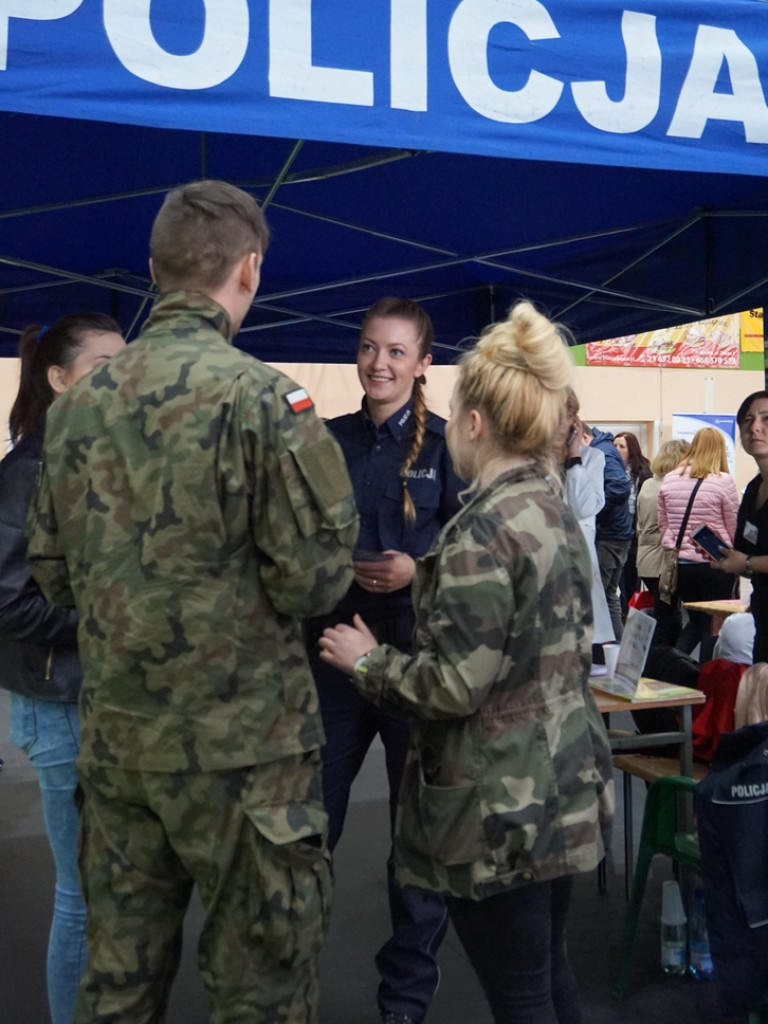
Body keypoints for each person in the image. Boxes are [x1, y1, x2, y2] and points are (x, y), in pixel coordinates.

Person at [25, 180, 359, 1023]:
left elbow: (54, 577)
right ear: (249, 270)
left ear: (153, 268)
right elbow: (316, 581)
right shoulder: (266, 402)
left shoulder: (76, 411)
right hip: (245, 756)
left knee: (118, 984)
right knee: (261, 990)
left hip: (120, 746)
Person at [318, 300, 614, 1024]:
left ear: (474, 425)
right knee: (548, 982)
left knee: (522, 995)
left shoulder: (483, 529)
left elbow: (453, 684)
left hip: (502, 804)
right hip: (558, 784)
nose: (379, 365)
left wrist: (366, 662)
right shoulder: (548, 507)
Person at [304, 297, 463, 1024]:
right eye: (369, 347)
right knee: (307, 830)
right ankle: (284, 984)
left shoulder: (448, 451)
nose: (379, 363)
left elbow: (475, 558)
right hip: (333, 654)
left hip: (412, 658)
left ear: (424, 363)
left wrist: (418, 572)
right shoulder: (326, 440)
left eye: (397, 351)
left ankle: (403, 1001)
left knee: (415, 844)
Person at [0, 314, 124, 1024]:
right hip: (60, 703)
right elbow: (8, 602)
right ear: (59, 379)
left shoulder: (85, 461)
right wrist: (107, 625)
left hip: (92, 700)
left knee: (105, 891)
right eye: (104, 366)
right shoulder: (30, 471)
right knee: (80, 896)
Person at [657, 427, 739, 656]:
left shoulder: (670, 479)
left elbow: (663, 524)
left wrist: (673, 544)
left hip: (682, 566)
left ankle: (674, 669)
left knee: (694, 622)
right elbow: (733, 527)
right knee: (712, 627)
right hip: (715, 565)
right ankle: (705, 679)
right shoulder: (723, 481)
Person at [712, 391, 768, 664]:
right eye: (747, 420)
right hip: (763, 616)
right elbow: (746, 551)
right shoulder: (754, 489)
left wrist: (746, 562)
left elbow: (748, 558)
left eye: (766, 419)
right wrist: (731, 561)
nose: (755, 427)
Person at [559, 390, 614, 651]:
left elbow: (584, 507)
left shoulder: (593, 458)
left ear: (574, 422)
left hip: (578, 561)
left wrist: (573, 459)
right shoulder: (533, 458)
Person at [635, 438, 690, 646]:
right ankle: (665, 663)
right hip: (662, 561)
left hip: (645, 558)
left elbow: (639, 523)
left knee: (662, 614)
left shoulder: (648, 484)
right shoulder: (671, 488)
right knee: (669, 618)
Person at [583, 423, 632, 640]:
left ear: (584, 437)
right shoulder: (605, 450)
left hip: (609, 534)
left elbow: (620, 487)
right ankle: (616, 650)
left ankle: (605, 651)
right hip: (617, 533)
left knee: (598, 598)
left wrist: (594, 512)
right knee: (608, 596)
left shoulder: (601, 452)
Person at [613, 431, 652, 612]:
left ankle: (631, 612)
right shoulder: (611, 467)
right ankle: (623, 612)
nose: (617, 449)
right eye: (615, 446)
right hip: (617, 526)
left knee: (632, 576)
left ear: (632, 449)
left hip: (636, 527)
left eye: (622, 446)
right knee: (618, 577)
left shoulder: (643, 470)